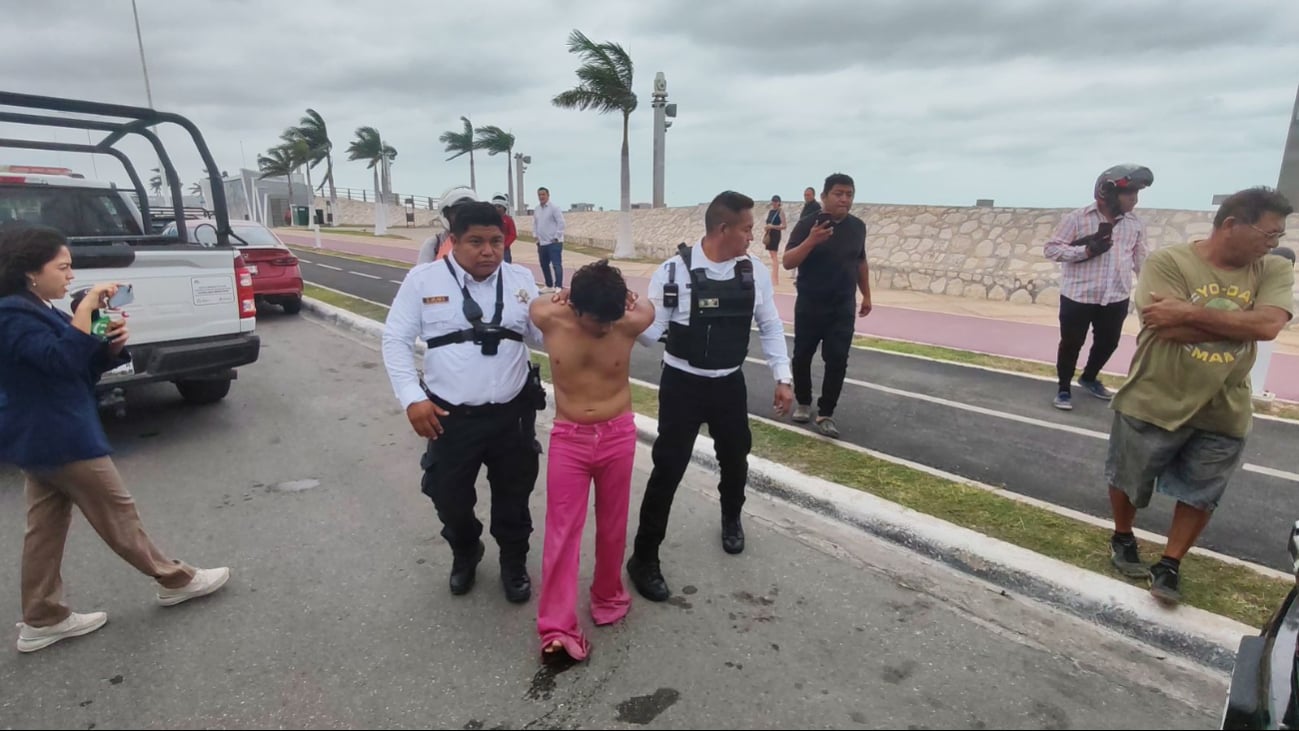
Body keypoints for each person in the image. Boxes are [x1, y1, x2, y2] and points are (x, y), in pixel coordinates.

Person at [0, 224, 230, 654]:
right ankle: (175, 580)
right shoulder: (11, 314)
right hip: (58, 434)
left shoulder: (35, 306)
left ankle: (42, 618)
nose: (70, 276)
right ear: (31, 271)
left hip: (43, 435)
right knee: (117, 512)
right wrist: (86, 307)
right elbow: (62, 361)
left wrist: (108, 347)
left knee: (45, 530)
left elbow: (76, 366)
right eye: (62, 267)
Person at [1106, 187, 1293, 605]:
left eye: (1278, 237)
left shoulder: (1273, 270)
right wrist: (1238, 322)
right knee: (1128, 476)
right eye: (1268, 235)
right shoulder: (1169, 262)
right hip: (1156, 393)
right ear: (1231, 225)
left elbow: (1267, 327)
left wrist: (1189, 312)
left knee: (1201, 490)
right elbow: (1162, 328)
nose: (1273, 244)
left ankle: (1170, 564)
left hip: (1225, 403)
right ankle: (1122, 537)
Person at [625, 191, 794, 603]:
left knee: (736, 458)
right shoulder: (672, 272)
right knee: (668, 469)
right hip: (682, 385)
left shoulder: (752, 272)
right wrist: (627, 315)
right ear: (723, 229)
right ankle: (644, 557)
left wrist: (782, 377)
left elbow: (770, 327)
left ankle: (731, 516)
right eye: (747, 229)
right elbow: (650, 336)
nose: (753, 236)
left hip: (728, 385)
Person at [383, 202, 547, 602]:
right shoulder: (423, 280)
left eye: (496, 241)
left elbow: (544, 336)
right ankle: (465, 549)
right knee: (447, 495)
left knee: (514, 496)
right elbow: (396, 340)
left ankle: (513, 561)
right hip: (449, 417)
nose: (488, 250)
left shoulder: (521, 278)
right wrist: (411, 399)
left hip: (513, 415)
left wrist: (576, 311)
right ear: (453, 241)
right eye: (475, 241)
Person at [529, 260, 653, 665]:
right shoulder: (549, 317)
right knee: (562, 532)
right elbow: (538, 301)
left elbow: (648, 308)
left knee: (614, 524)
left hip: (618, 435)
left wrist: (631, 298)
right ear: (574, 306)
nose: (604, 328)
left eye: (610, 319)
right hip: (570, 440)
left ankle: (607, 594)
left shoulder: (628, 322)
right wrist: (560, 292)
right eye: (596, 320)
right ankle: (558, 627)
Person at [1044, 164, 1154, 411]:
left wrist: (1152, 288)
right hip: (1078, 296)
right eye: (1130, 194)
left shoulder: (1135, 224)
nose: (1135, 200)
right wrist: (1087, 251)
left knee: (1109, 342)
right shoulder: (1077, 218)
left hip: (1116, 296)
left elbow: (1141, 259)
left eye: (1137, 194)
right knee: (1072, 343)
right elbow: (1051, 249)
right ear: (1107, 192)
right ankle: (1063, 388)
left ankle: (1089, 377)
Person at [782, 173, 871, 439]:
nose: (845, 199)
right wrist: (811, 240)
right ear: (824, 197)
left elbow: (860, 262)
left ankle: (826, 413)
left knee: (837, 360)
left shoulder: (858, 227)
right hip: (810, 303)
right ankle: (804, 402)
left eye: (849, 194)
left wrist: (866, 295)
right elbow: (787, 261)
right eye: (838, 194)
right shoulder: (807, 225)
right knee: (802, 356)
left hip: (842, 306)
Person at [417, 185, 477, 265]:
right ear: (445, 214)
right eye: (456, 212)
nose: (463, 217)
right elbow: (421, 275)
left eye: (468, 211)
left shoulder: (483, 242)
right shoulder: (434, 244)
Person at [534, 187, 566, 291]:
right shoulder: (537, 209)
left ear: (548, 195)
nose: (541, 197)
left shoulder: (554, 208)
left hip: (554, 243)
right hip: (542, 243)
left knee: (556, 265)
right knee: (544, 265)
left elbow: (561, 223)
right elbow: (535, 223)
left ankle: (558, 286)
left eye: (543, 194)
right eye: (539, 195)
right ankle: (549, 285)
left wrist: (557, 237)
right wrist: (536, 236)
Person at [762, 195, 786, 286]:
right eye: (773, 201)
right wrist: (767, 227)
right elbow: (768, 222)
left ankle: (775, 280)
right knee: (772, 256)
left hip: (775, 234)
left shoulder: (780, 212)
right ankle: (774, 279)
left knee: (774, 256)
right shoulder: (771, 211)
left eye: (776, 201)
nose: (774, 203)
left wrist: (772, 226)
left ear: (779, 202)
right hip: (769, 233)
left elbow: (784, 226)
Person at [492, 193, 519, 263]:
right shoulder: (490, 220)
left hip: (505, 250)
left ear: (504, 208)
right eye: (495, 206)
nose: (497, 209)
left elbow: (513, 234)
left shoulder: (508, 220)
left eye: (499, 206)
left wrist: (504, 244)